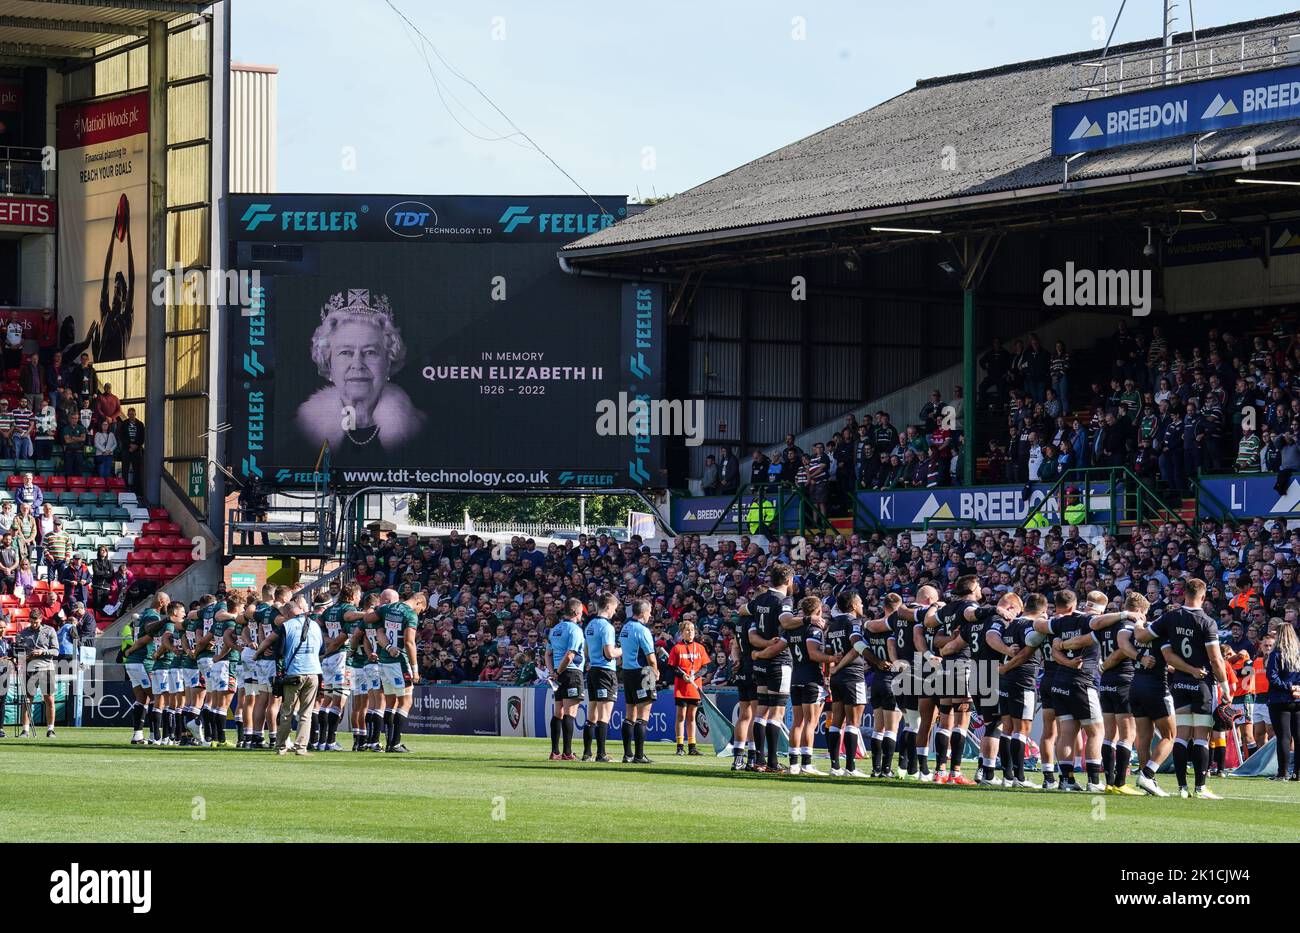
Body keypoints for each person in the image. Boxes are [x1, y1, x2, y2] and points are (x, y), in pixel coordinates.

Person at [295, 288, 426, 457]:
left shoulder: (417, 431)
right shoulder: (302, 430)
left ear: (389, 360)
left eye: (370, 352)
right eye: (346, 352)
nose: (357, 364)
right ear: (328, 362)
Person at [1136, 577, 1232, 798]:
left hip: (1178, 681)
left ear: (1184, 594)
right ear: (1204, 596)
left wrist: (1139, 621)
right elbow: (1216, 659)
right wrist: (1225, 686)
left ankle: (1182, 788)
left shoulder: (1170, 617)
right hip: (1202, 683)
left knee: (1181, 736)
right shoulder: (1207, 622)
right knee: (1201, 736)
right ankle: (1200, 787)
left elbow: (1142, 636)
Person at [764, 596, 835, 775]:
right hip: (812, 679)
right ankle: (806, 764)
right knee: (810, 723)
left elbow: (776, 648)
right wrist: (832, 658)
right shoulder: (814, 629)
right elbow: (813, 654)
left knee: (797, 722)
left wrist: (759, 654)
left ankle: (794, 764)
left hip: (795, 679)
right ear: (818, 611)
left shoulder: (791, 629)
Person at [364, 588, 427, 753]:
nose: (420, 613)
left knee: (390, 701)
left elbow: (368, 618)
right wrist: (415, 669)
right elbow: (409, 643)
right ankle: (395, 743)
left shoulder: (388, 608)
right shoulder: (410, 615)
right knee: (406, 701)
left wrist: (386, 641)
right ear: (419, 602)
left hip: (384, 660)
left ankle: (391, 742)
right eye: (421, 610)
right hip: (399, 661)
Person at [274, 594, 323, 756]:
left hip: (293, 673)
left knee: (287, 711)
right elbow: (322, 651)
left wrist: (279, 675)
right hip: (313, 671)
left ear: (288, 614)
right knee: (306, 713)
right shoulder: (315, 626)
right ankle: (301, 747)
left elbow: (279, 654)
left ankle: (281, 746)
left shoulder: (286, 627)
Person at [581, 592, 621, 762]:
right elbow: (609, 653)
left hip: (593, 671)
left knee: (591, 714)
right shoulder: (607, 627)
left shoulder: (590, 625)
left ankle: (587, 753)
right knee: (604, 715)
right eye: (615, 608)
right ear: (609, 606)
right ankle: (601, 754)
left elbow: (586, 651)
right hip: (605, 672)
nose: (615, 612)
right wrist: (622, 650)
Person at [617, 597, 657, 764]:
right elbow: (651, 657)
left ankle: (627, 754)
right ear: (643, 612)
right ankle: (639, 755)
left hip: (627, 672)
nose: (650, 615)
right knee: (643, 714)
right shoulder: (642, 630)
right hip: (642, 673)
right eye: (649, 612)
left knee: (629, 714)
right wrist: (655, 671)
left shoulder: (625, 627)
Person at [545, 597, 586, 761]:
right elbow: (570, 655)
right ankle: (567, 753)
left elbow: (547, 654)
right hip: (571, 672)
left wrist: (553, 671)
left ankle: (555, 752)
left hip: (558, 673)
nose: (582, 615)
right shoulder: (575, 630)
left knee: (558, 712)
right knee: (570, 713)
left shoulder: (554, 629)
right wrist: (558, 671)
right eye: (581, 612)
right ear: (576, 612)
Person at [666, 618, 709, 756]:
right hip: (681, 688)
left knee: (692, 717)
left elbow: (705, 667)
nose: (690, 632)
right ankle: (679, 746)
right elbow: (672, 667)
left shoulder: (700, 648)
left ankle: (692, 746)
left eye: (692, 630)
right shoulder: (677, 648)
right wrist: (682, 675)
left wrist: (695, 676)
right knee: (681, 716)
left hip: (695, 688)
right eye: (687, 630)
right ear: (682, 632)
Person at [1264, 623, 1300, 781]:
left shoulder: (1276, 654)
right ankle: (1297, 773)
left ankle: (1283, 772)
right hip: (1298, 699)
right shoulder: (1298, 654)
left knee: (1284, 737)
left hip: (1280, 699)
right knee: (1298, 737)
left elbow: (1272, 678)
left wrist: (1289, 687)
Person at [16, 609, 59, 738]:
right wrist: (27, 656)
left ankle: (50, 729)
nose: (35, 624)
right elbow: (18, 653)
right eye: (33, 622)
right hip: (30, 669)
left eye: (37, 622)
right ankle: (25, 730)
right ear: (29, 620)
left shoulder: (50, 630)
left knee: (49, 699)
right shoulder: (23, 633)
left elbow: (56, 651)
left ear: (41, 620)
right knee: (28, 700)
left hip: (47, 668)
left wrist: (43, 652)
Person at [117, 408, 145, 494]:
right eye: (129, 414)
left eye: (133, 414)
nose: (131, 416)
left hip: (137, 451)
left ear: (135, 414)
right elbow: (121, 436)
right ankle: (124, 489)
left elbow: (142, 437)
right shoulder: (124, 424)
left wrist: (136, 445)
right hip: (126, 449)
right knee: (125, 470)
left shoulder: (140, 424)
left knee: (137, 471)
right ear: (128, 415)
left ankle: (136, 490)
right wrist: (129, 445)